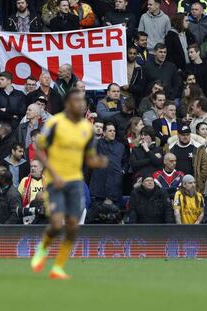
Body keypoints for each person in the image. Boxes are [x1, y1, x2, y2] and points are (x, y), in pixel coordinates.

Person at [30, 89, 108, 279]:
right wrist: (53, 172)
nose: (80, 104)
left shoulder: (87, 128)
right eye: (76, 101)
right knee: (57, 223)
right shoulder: (54, 123)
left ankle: (58, 267)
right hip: (55, 180)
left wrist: (97, 161)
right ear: (67, 104)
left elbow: (88, 158)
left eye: (82, 101)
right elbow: (38, 150)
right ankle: (43, 248)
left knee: (73, 225)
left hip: (75, 181)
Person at [89, 122, 125, 205]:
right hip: (100, 182)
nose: (113, 133)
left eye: (114, 131)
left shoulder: (121, 146)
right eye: (110, 131)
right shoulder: (97, 144)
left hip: (115, 182)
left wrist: (123, 170)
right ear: (104, 133)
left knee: (114, 213)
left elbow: (125, 161)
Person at [170, 124, 207, 193]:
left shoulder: (198, 148)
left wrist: (200, 181)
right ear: (178, 135)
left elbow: (205, 165)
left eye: (187, 134)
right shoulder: (171, 148)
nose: (185, 137)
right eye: (183, 135)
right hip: (176, 184)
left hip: (193, 184)